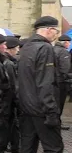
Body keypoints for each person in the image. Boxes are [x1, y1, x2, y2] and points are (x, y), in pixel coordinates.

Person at [18, 16, 63, 153]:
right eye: (56, 30)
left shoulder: (26, 47)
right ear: (49, 30)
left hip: (27, 107)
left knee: (27, 147)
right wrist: (51, 111)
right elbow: (45, 82)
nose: (57, 34)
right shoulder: (45, 48)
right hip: (42, 109)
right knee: (54, 148)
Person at [4, 37, 20, 153]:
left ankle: (12, 145)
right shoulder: (8, 63)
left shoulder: (8, 60)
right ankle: (13, 146)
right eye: (17, 48)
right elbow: (12, 84)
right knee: (12, 125)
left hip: (7, 100)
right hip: (9, 100)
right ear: (11, 49)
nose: (18, 50)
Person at [54, 34, 72, 130]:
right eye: (68, 42)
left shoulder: (52, 49)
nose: (69, 44)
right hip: (61, 82)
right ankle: (57, 124)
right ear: (65, 42)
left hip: (53, 81)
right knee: (60, 104)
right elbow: (65, 69)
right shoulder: (63, 52)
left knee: (55, 103)